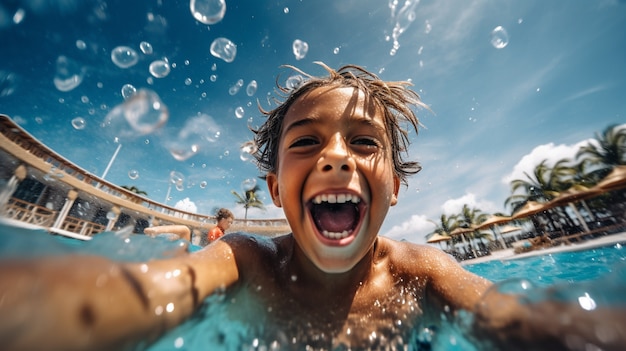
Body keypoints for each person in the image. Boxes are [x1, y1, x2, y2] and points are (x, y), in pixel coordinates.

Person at [0, 63, 624, 351]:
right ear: (275, 191)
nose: (335, 157)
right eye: (306, 143)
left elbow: (520, 317)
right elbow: (133, 291)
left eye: (362, 142)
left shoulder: (422, 273)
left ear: (393, 187)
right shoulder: (244, 260)